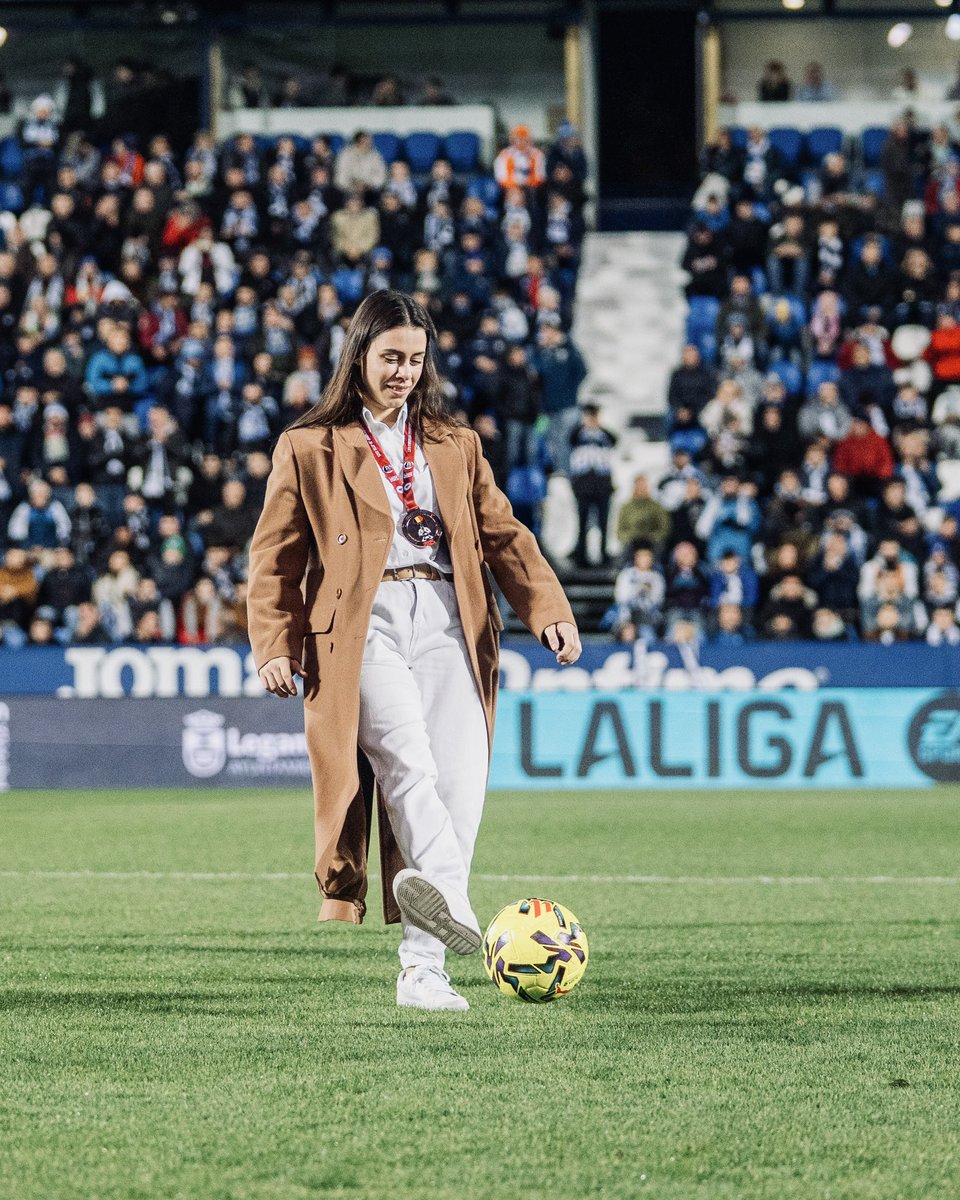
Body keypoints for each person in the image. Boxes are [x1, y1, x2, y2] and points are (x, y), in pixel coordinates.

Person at [246, 290, 580, 1013]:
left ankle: (423, 971)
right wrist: (274, 642)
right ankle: (456, 905)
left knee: (460, 787)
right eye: (391, 357)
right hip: (361, 624)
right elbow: (273, 558)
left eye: (416, 359)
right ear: (359, 357)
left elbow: (503, 534)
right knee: (406, 763)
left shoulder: (456, 445)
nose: (404, 371)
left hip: (452, 618)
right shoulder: (308, 446)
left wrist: (546, 606)